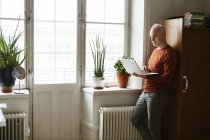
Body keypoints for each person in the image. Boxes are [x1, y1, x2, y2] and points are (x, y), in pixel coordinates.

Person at [131, 23, 177, 140]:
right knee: (136, 119)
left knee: (153, 126)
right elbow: (154, 71)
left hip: (158, 94)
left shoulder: (169, 53)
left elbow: (167, 78)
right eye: (150, 37)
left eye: (154, 37)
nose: (152, 40)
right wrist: (147, 70)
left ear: (163, 35)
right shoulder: (155, 51)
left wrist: (145, 76)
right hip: (146, 91)